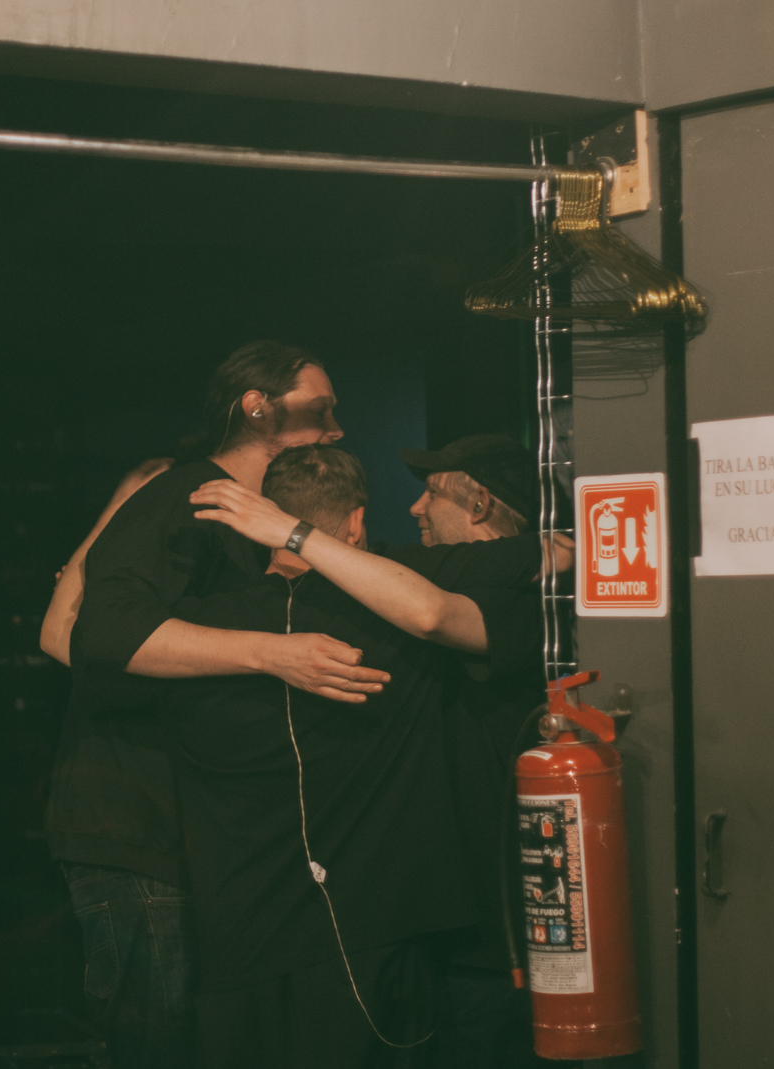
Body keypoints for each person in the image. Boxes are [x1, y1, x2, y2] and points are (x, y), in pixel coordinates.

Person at [95, 444, 540, 1069]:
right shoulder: (395, 629)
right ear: (357, 524)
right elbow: (436, 609)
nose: (414, 506)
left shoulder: (194, 634)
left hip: (237, 950)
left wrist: (132, 503)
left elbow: (77, 635)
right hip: (375, 942)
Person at [43, 342, 382, 1069]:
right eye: (321, 409)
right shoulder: (187, 497)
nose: (338, 427)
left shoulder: (248, 519)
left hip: (193, 832)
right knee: (154, 1042)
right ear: (258, 408)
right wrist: (275, 652)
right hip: (132, 823)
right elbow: (100, 639)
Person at [392, 434, 554, 1069]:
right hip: (456, 932)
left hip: (496, 944)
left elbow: (437, 615)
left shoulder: (522, 607)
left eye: (431, 492)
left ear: (480, 503)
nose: (415, 509)